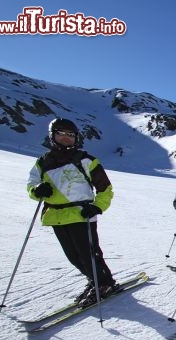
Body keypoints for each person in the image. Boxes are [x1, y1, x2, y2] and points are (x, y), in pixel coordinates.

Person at [27, 118, 120, 306]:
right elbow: (32, 184)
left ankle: (104, 284)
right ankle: (94, 281)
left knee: (89, 254)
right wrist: (37, 191)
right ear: (53, 136)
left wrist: (97, 206)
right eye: (61, 133)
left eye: (70, 135)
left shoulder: (86, 160)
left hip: (82, 213)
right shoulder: (43, 162)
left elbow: (105, 188)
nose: (66, 138)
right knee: (73, 255)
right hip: (56, 215)